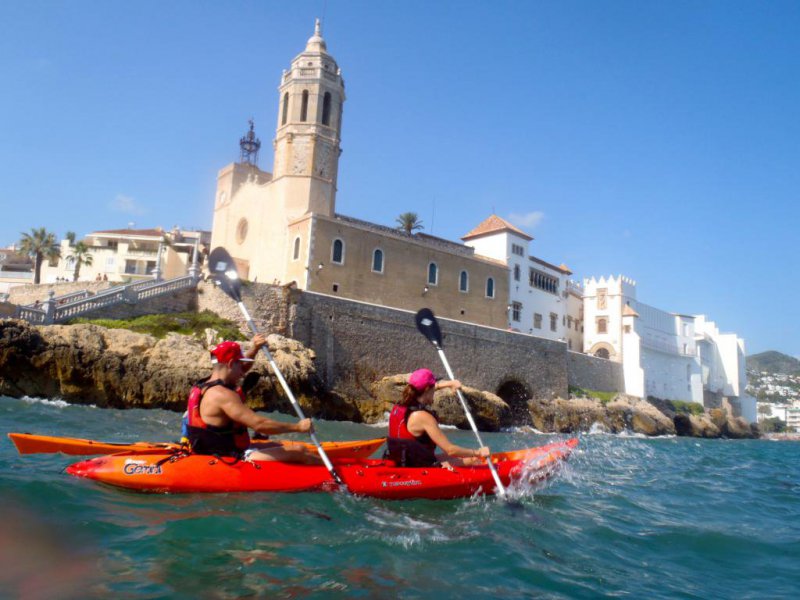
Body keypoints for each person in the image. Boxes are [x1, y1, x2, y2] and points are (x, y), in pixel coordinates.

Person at [184, 336, 321, 463]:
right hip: (228, 455)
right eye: (240, 366)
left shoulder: (203, 386)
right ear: (231, 364)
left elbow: (239, 368)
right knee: (299, 450)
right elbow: (259, 424)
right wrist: (298, 427)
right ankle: (335, 474)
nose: (242, 373)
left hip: (210, 448)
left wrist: (255, 349)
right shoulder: (223, 395)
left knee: (276, 445)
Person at [386, 368, 490, 468]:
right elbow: (450, 450)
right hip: (418, 469)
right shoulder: (423, 416)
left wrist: (449, 384)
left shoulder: (399, 406)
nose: (434, 392)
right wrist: (478, 452)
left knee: (462, 455)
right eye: (433, 388)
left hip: (403, 461)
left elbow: (428, 388)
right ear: (427, 389)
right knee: (474, 460)